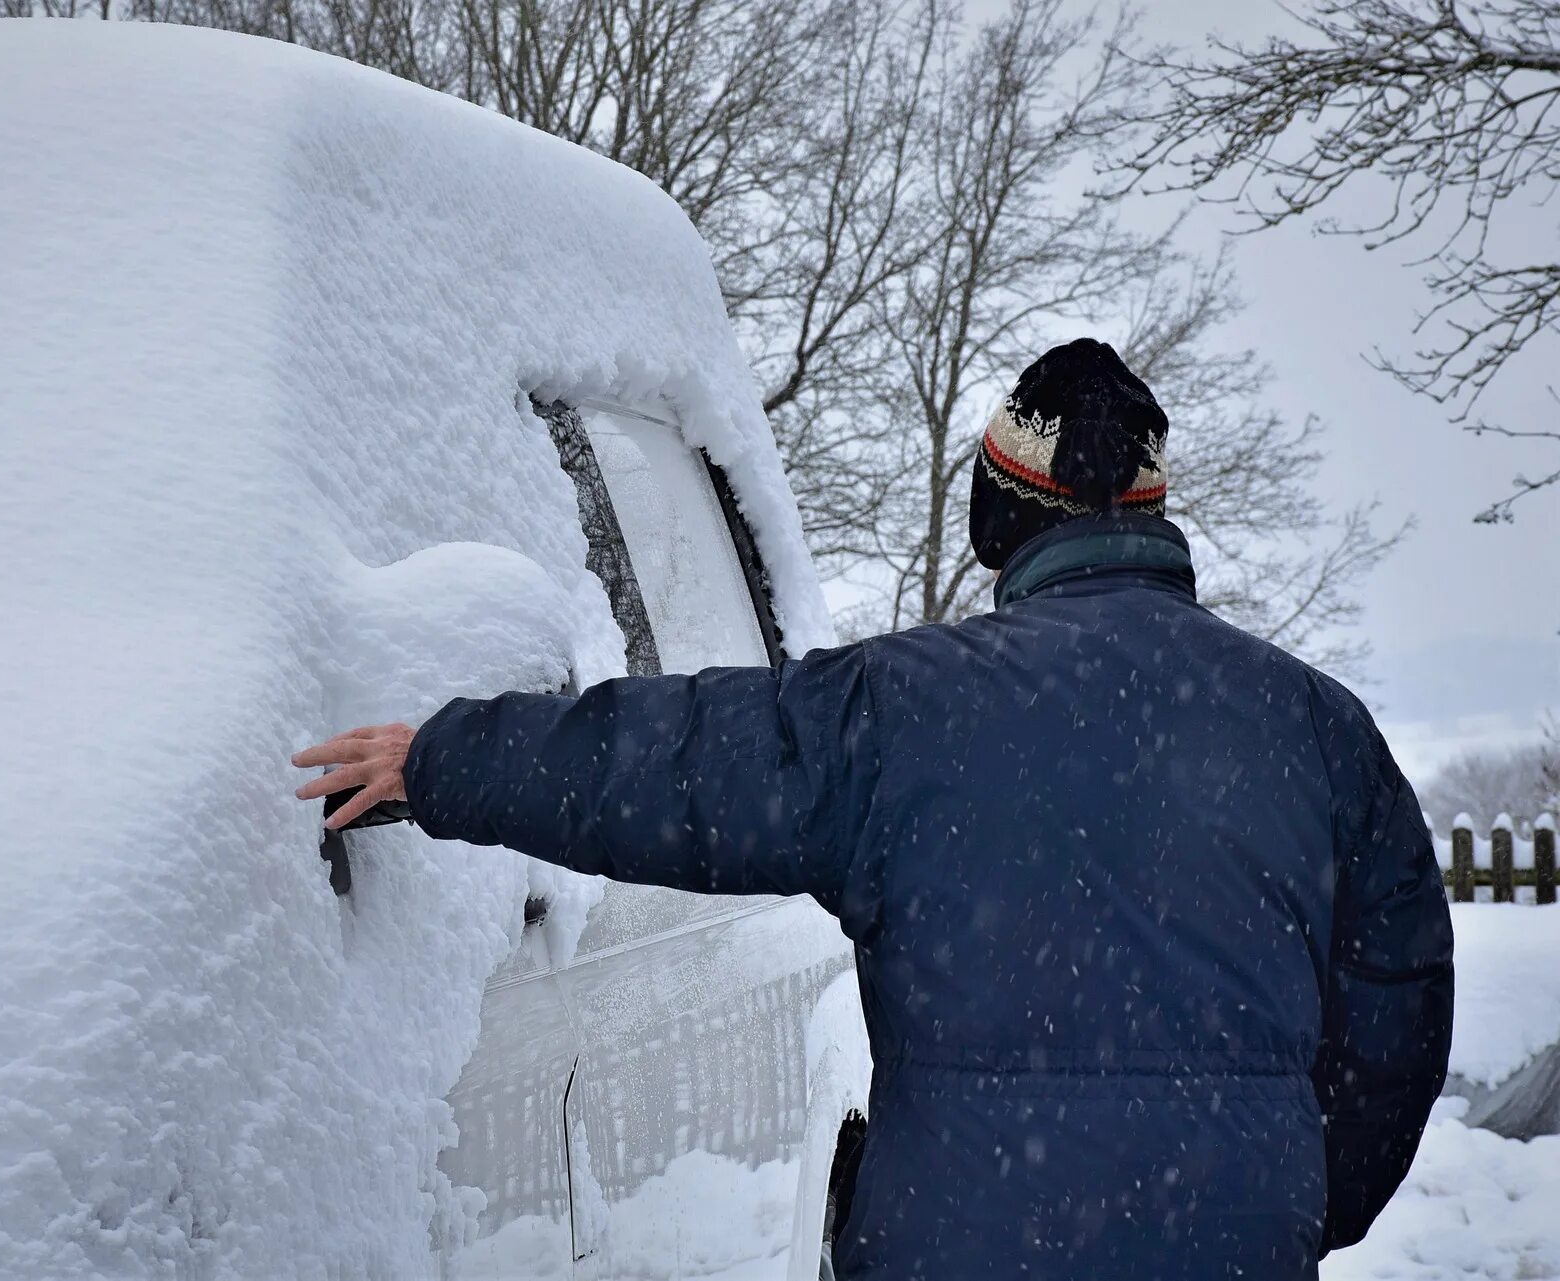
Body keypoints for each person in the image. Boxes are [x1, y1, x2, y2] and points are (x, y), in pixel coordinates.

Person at [292, 338, 1454, 1280]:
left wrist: (443, 760)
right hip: (1232, 1247)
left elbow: (673, 762)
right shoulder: (1319, 729)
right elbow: (1397, 1024)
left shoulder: (902, 710)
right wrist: (1284, 1200)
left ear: (1001, 516)